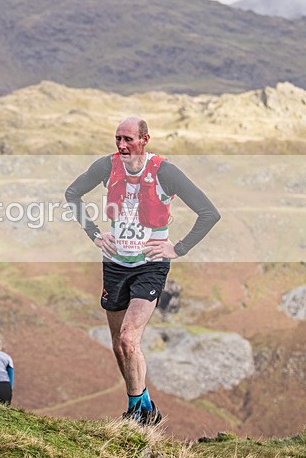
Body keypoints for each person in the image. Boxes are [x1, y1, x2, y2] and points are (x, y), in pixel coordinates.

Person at [65, 116, 220, 425]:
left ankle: (136, 414)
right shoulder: (106, 167)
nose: (122, 145)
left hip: (151, 266)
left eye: (128, 139)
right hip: (115, 264)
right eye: (118, 139)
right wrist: (94, 233)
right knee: (119, 346)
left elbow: (209, 213)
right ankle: (146, 404)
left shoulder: (165, 172)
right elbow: (72, 194)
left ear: (145, 140)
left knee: (127, 339)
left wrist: (178, 248)